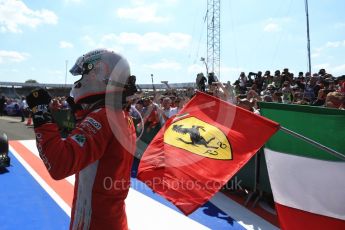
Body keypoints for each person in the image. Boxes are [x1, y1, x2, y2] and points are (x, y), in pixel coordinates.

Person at [26, 49, 137, 229]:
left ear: (98, 74)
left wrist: (41, 115)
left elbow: (59, 164)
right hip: (111, 219)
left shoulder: (103, 116)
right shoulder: (121, 115)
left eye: (83, 74)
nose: (78, 81)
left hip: (94, 222)